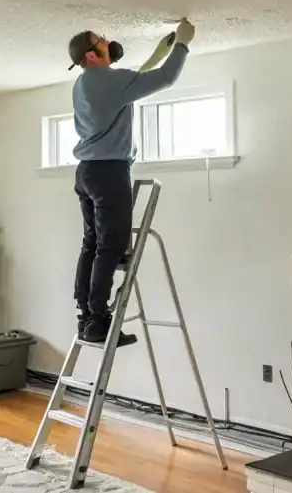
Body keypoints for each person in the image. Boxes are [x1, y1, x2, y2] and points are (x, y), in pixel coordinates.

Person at [65, 19, 195, 344]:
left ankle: (85, 315)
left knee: (92, 244)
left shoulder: (83, 84)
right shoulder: (111, 81)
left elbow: (128, 86)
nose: (108, 43)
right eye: (102, 42)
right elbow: (166, 78)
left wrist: (154, 56)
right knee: (110, 247)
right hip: (109, 173)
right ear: (92, 56)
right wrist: (182, 44)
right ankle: (98, 321)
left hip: (86, 172)